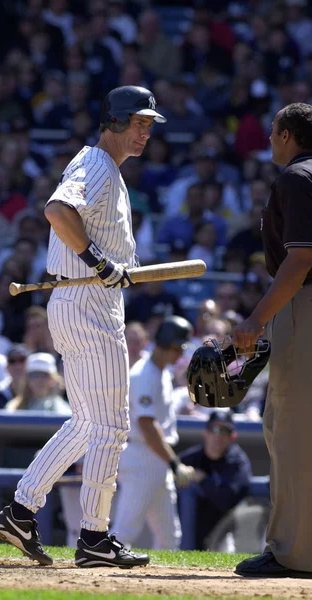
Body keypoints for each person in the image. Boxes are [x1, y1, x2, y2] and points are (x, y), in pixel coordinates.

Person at [0, 85, 167, 568]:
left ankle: (21, 510)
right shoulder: (95, 164)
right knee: (111, 426)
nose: (144, 132)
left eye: (149, 124)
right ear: (112, 120)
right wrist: (97, 259)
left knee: (88, 423)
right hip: (87, 300)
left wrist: (107, 263)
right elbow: (56, 210)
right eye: (137, 122)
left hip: (78, 298)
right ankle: (94, 537)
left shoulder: (105, 167)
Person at [233, 103, 312, 577]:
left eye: (272, 132)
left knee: (291, 434)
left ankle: (292, 553)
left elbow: (301, 260)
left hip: (305, 308)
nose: (268, 141)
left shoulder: (296, 178)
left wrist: (256, 319)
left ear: (286, 134)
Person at [112, 316, 196, 550]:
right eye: (178, 348)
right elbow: (147, 425)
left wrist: (168, 461)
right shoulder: (144, 374)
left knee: (170, 536)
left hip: (156, 459)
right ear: (169, 346)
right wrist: (174, 462)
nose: (180, 354)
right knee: (124, 530)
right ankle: (97, 580)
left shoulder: (161, 372)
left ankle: (164, 587)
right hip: (142, 458)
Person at [178, 411, 252, 551]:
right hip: (189, 530)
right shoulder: (191, 458)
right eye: (214, 429)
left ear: (233, 436)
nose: (218, 435)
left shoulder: (237, 462)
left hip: (224, 531)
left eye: (224, 430)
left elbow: (227, 500)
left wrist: (203, 479)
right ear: (205, 433)